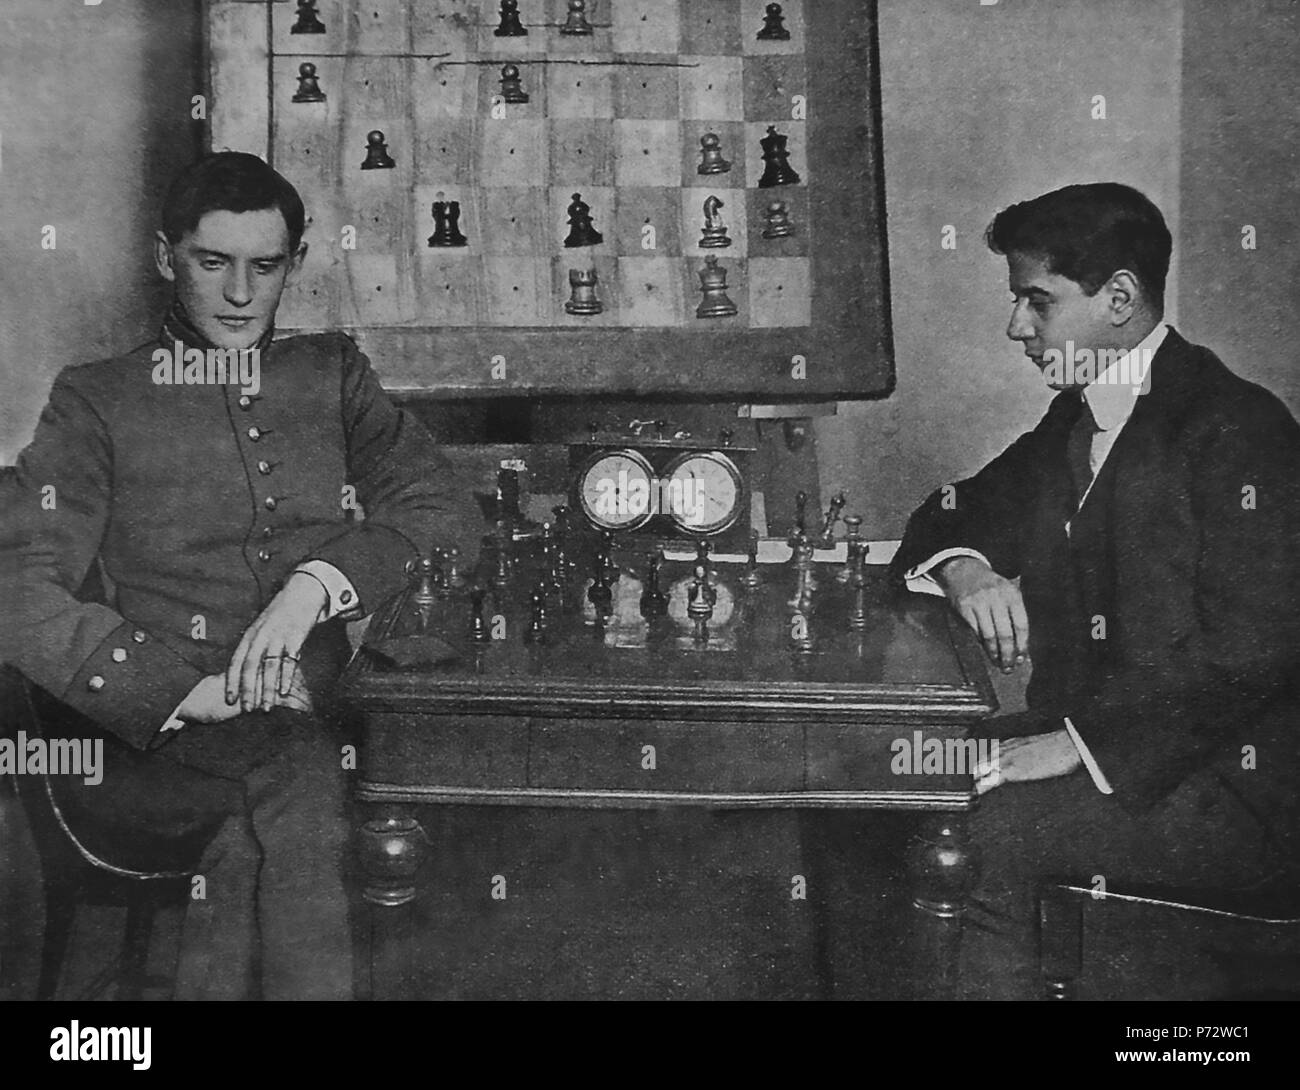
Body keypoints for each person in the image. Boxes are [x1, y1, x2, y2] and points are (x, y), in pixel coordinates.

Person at [1, 152, 454, 999]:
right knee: (294, 798)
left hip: (323, 715)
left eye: (265, 266)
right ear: (166, 258)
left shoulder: (331, 374)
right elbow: (17, 590)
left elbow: (435, 508)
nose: (241, 294)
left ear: (298, 263)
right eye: (213, 264)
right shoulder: (98, 399)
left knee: (293, 809)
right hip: (158, 738)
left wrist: (316, 584)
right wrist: (181, 692)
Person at [890, 182, 1300, 999]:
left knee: (985, 836)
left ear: (1118, 297)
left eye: (1036, 302)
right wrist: (968, 568)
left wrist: (1073, 744)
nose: (1017, 327)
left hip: (1237, 793)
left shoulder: (1240, 429)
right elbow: (946, 513)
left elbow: (1255, 647)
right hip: (1115, 746)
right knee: (898, 778)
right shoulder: (1076, 418)